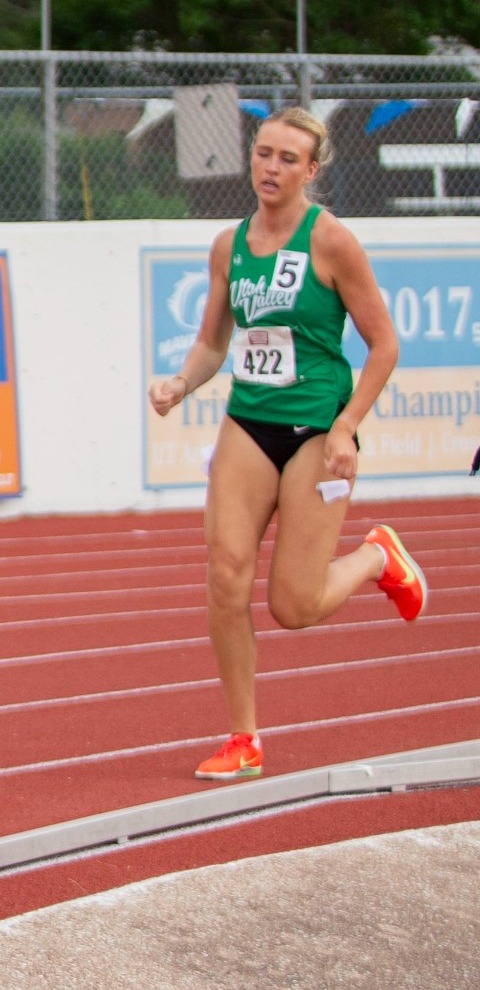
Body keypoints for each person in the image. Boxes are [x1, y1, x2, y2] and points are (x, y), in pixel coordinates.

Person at [149, 106, 427, 782]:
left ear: (310, 170)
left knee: (293, 606)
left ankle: (376, 556)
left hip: (317, 428)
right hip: (250, 420)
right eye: (264, 153)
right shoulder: (230, 244)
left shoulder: (331, 241)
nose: (271, 167)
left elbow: (385, 344)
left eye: (287, 159)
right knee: (224, 576)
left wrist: (344, 425)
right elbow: (215, 341)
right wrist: (182, 382)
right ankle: (244, 738)